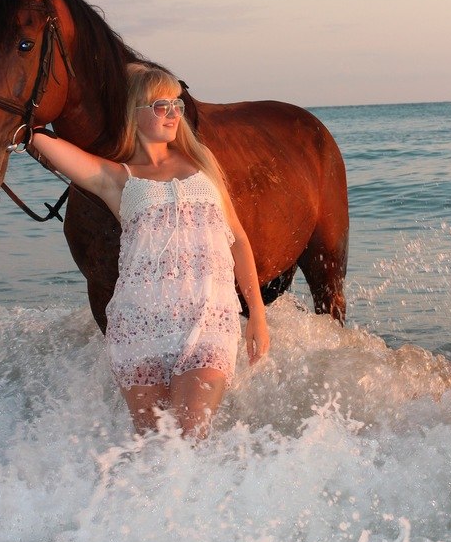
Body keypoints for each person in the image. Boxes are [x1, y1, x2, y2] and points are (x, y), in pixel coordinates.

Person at [28, 64, 270, 438]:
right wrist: (15, 121)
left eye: (177, 104)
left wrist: (256, 314)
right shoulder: (118, 179)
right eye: (161, 105)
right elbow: (44, 141)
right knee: (154, 445)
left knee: (191, 437)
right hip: (140, 328)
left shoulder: (203, 165)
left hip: (208, 321)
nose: (174, 113)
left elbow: (237, 239)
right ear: (134, 113)